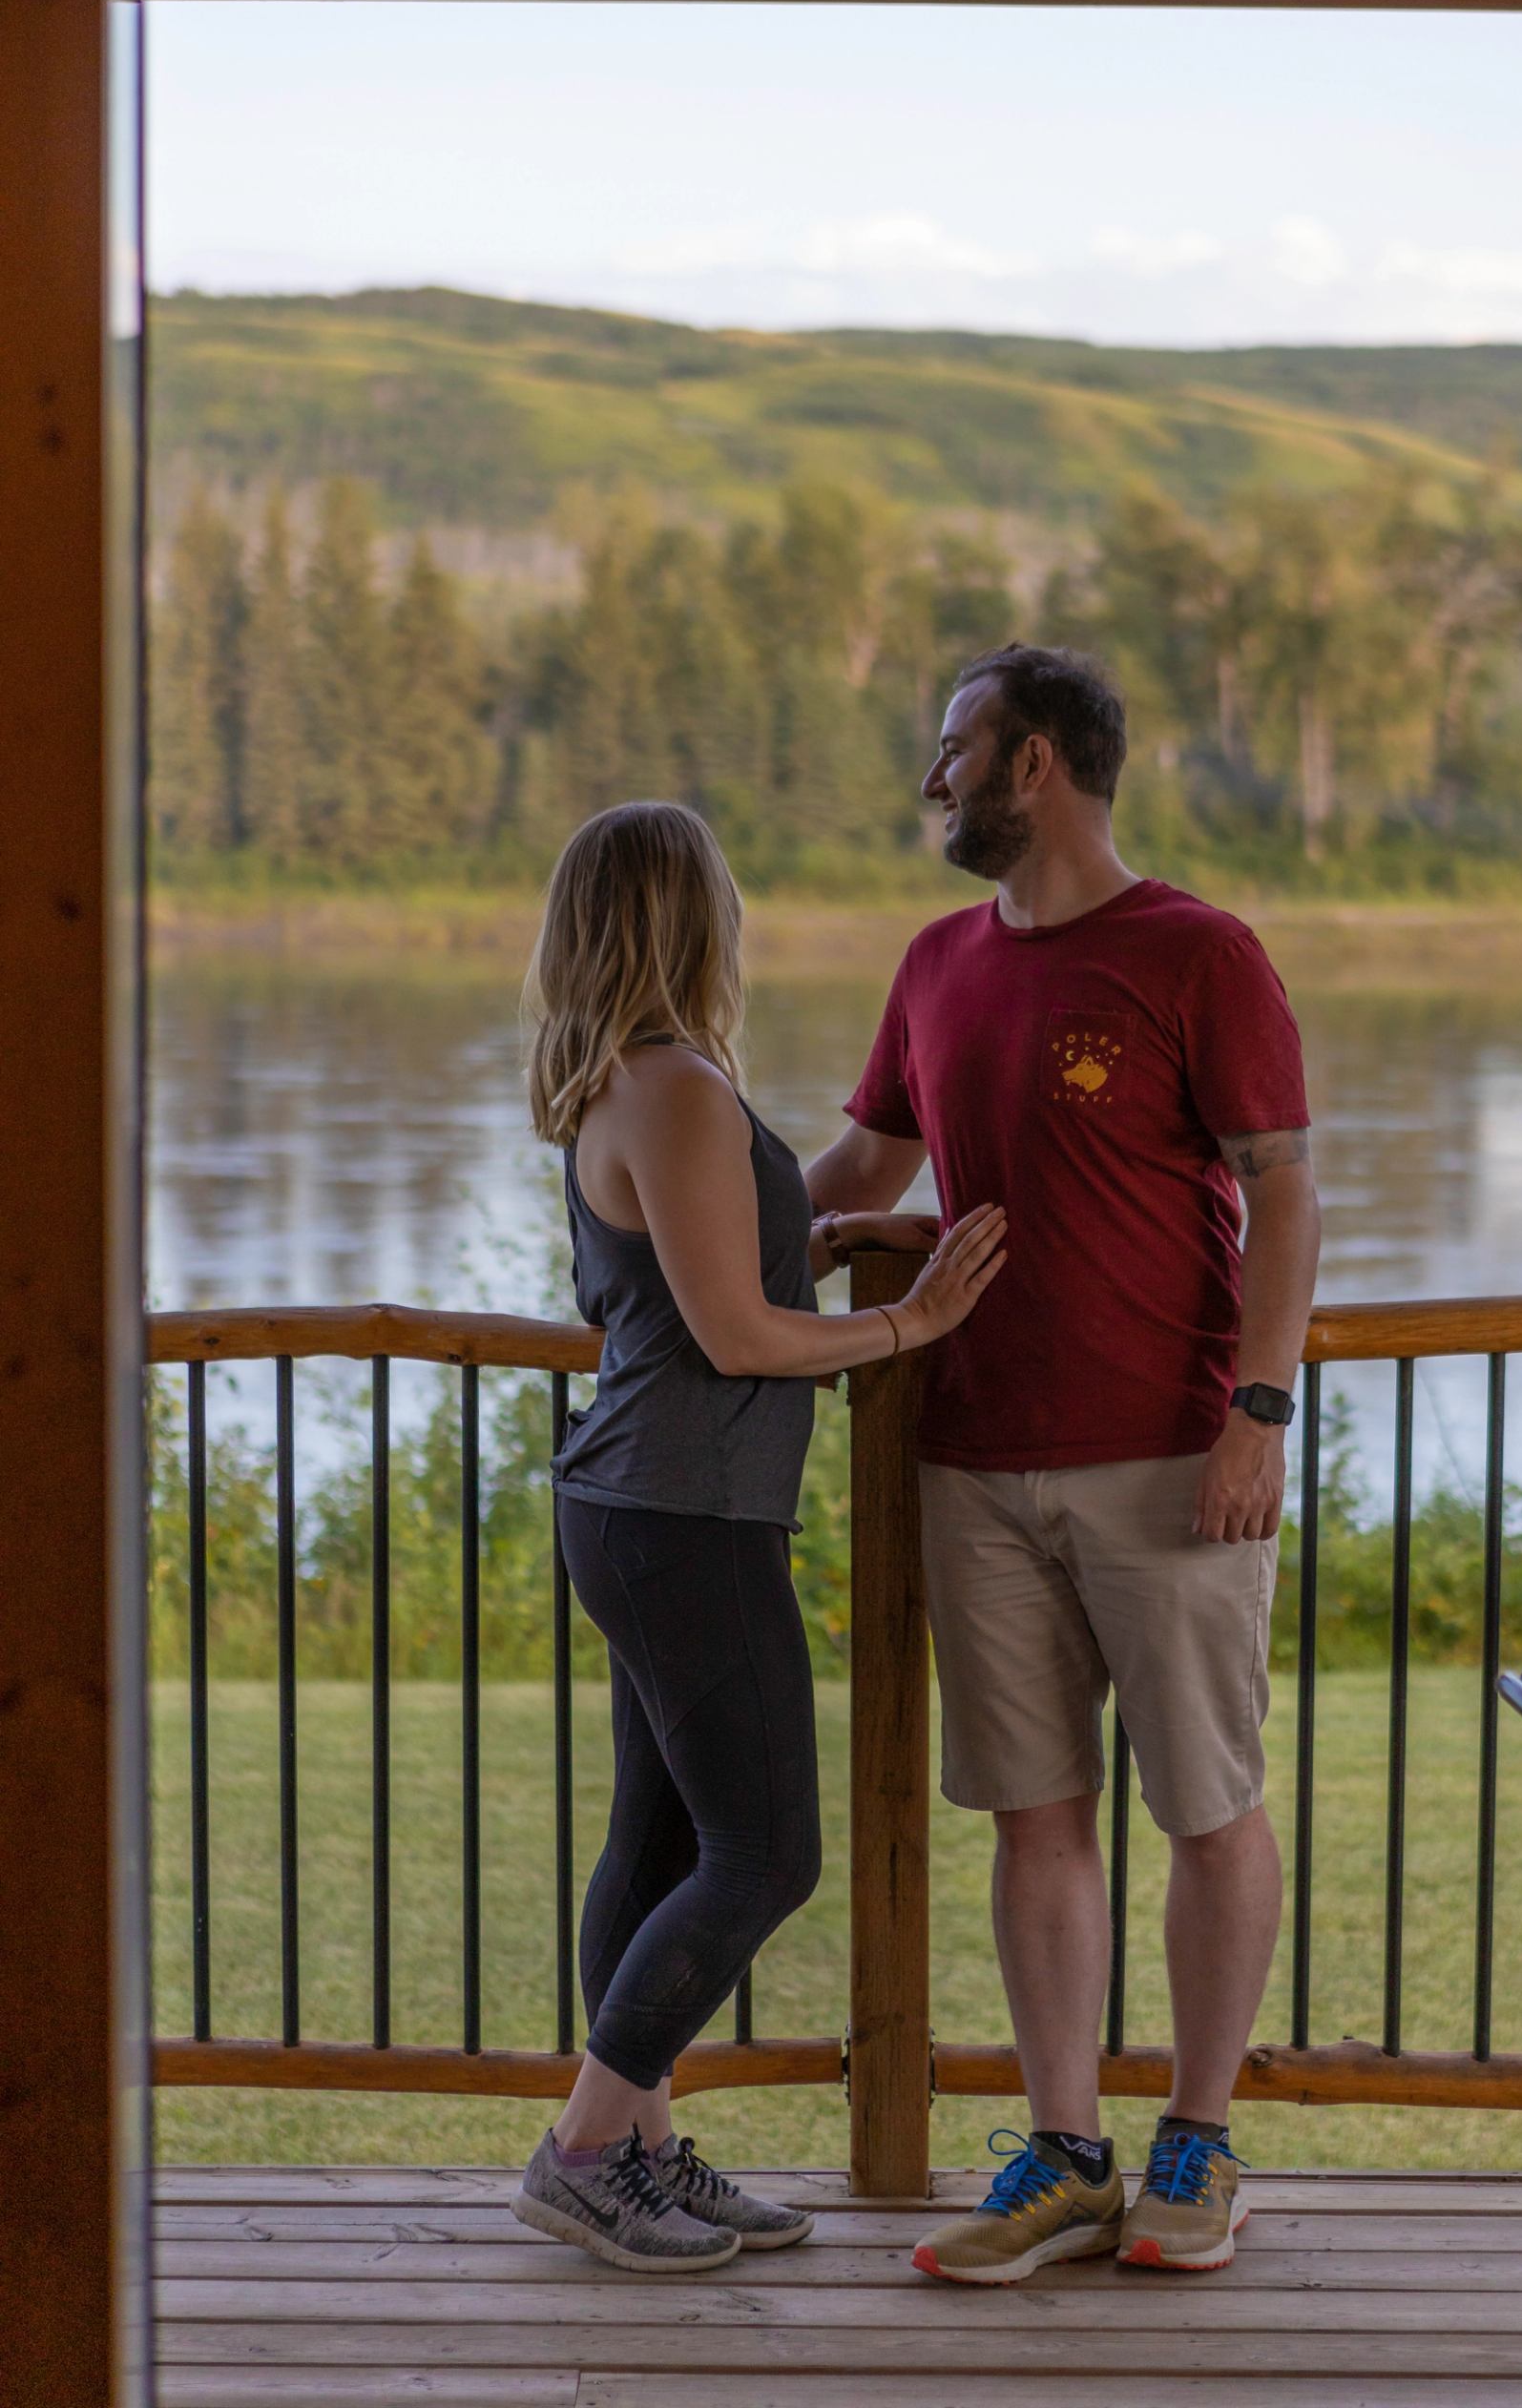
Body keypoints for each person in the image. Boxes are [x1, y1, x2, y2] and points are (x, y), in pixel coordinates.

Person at [806, 645, 1320, 2283]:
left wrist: (1260, 1409)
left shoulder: (1200, 954)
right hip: (970, 1464)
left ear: (1033, 762)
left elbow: (1287, 1193)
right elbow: (859, 1169)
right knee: (1037, 1821)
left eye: (951, 748)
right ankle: (1068, 2152)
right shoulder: (936, 961)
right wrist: (681, 1246)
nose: (932, 779)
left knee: (1207, 1807)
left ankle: (1200, 2141)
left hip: (1174, 1463)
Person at [511, 800, 1005, 2275]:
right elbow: (731, 1331)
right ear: (687, 916)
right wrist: (912, 1321)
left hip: (646, 1504)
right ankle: (589, 2149)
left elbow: (701, 1278)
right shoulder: (668, 1086)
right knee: (769, 1852)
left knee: (661, 1838)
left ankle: (647, 2153)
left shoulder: (640, 1080)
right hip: (680, 1513)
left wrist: (826, 1236)